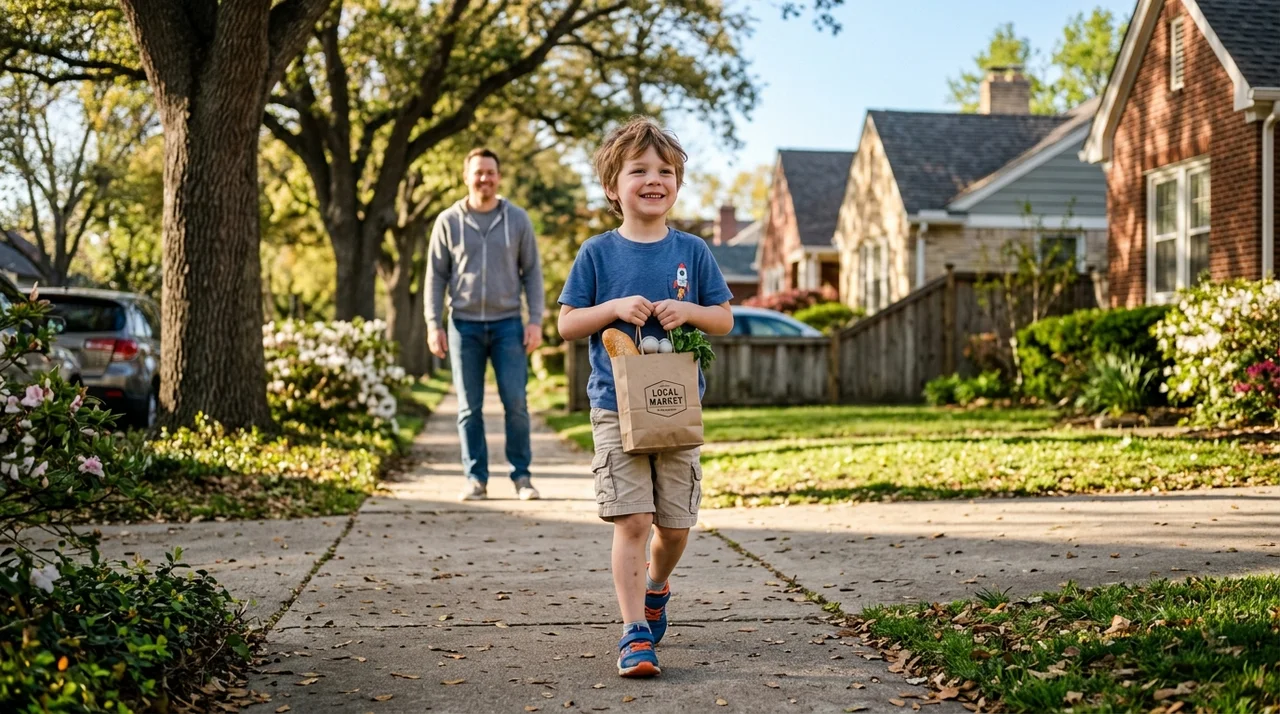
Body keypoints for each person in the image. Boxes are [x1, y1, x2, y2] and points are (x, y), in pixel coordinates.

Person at [556, 117, 733, 677]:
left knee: (674, 528)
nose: (653, 180)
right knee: (633, 520)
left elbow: (724, 319)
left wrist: (691, 312)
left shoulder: (693, 251)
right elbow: (567, 324)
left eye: (665, 171)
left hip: (677, 409)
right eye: (639, 170)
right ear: (614, 186)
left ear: (677, 184)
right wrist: (610, 309)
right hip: (615, 407)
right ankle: (635, 633)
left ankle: (656, 588)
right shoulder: (597, 254)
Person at [426, 148, 545, 502]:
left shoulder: (518, 219)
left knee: (516, 403)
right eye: (478, 172)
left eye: (491, 172)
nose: (485, 178)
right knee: (468, 406)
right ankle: (475, 478)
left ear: (499, 177)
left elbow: (533, 274)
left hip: (508, 323)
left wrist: (535, 320)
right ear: (466, 177)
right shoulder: (448, 221)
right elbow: (435, 277)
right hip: (463, 325)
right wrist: (434, 324)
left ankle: (522, 477)